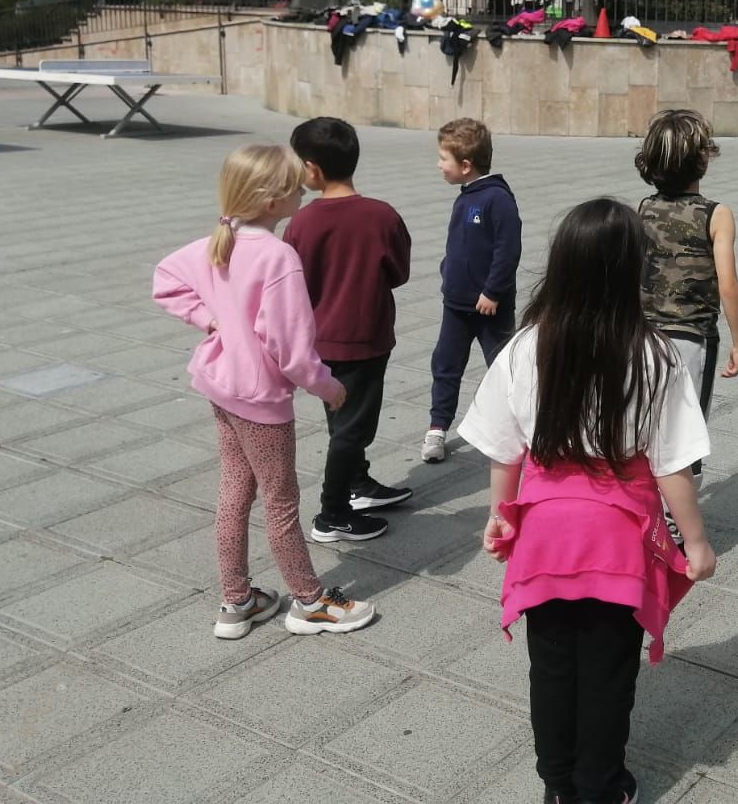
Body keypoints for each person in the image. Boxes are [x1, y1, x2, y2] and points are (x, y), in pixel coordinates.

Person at [459, 199, 715, 804]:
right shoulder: (654, 354)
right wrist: (697, 542)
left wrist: (501, 515)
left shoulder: (525, 346)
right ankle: (601, 788)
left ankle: (557, 786)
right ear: (633, 271)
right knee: (606, 673)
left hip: (545, 534)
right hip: (617, 540)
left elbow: (505, 450)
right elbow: (672, 463)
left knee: (551, 668)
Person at [152, 144, 375, 639]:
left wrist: (211, 320)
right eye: (295, 186)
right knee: (281, 500)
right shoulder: (278, 257)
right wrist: (329, 388)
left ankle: (236, 602)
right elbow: (293, 351)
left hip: (221, 385)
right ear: (273, 199)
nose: (303, 190)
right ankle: (310, 601)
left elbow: (165, 280)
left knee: (235, 490)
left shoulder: (221, 240)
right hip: (260, 400)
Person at [284, 117, 414, 544]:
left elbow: (293, 282)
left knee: (342, 421)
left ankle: (357, 483)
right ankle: (332, 512)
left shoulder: (301, 223)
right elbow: (398, 272)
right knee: (352, 428)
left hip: (321, 340)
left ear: (312, 170)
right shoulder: (382, 216)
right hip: (367, 337)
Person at [634, 109, 738, 479]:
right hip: (692, 337)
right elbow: (728, 284)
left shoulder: (645, 208)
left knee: (646, 419)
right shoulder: (716, 214)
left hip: (642, 334)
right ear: (703, 159)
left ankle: (646, 508)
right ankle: (678, 524)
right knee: (687, 431)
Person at [424, 117, 522, 464]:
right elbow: (461, 246)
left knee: (503, 365)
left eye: (443, 159)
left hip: (488, 306)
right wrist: (448, 271)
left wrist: (493, 291)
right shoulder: (465, 198)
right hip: (456, 303)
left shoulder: (497, 199)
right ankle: (438, 427)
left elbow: (507, 250)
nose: (438, 165)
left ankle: (520, 427)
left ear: (465, 166)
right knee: (446, 364)